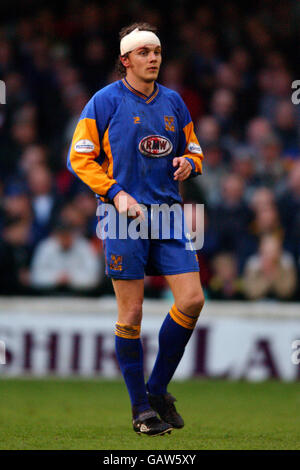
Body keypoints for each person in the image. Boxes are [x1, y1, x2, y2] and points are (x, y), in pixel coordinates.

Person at [68, 23, 205, 436]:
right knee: (132, 313)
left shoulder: (174, 102)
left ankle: (157, 389)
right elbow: (80, 158)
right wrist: (115, 193)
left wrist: (190, 163)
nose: (153, 58)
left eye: (157, 51)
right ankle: (140, 410)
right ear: (125, 60)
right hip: (122, 218)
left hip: (168, 216)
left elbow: (194, 146)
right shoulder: (103, 102)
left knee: (194, 300)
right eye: (144, 52)